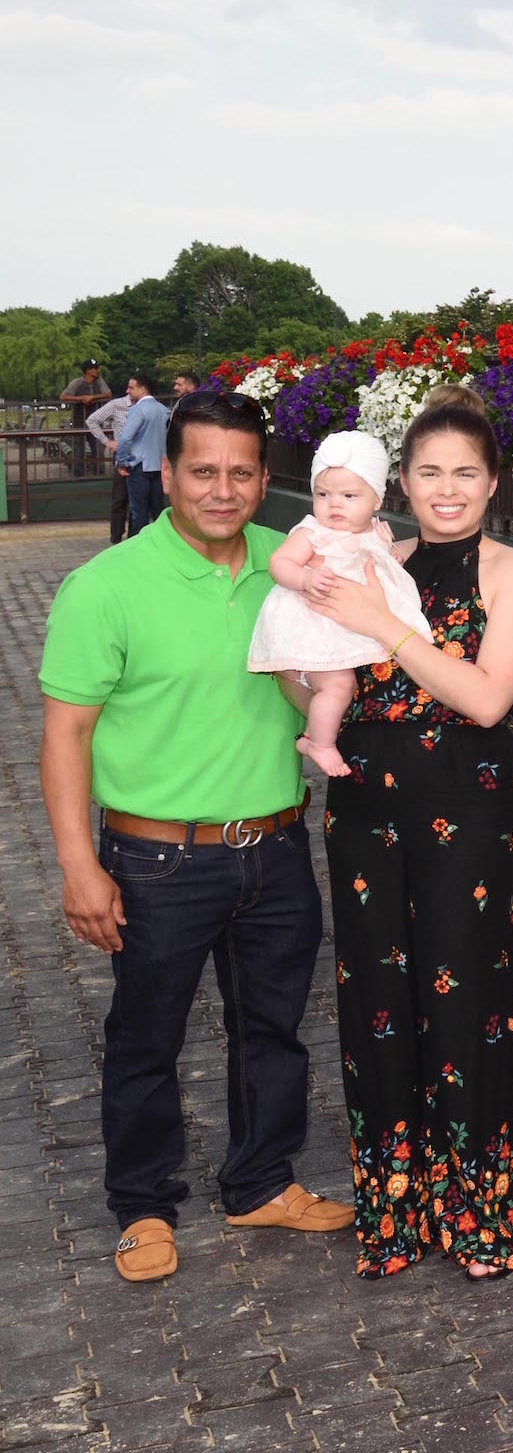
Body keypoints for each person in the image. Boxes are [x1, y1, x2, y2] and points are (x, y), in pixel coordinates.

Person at [39, 390, 355, 1284]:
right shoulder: (106, 587)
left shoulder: (294, 564)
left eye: (242, 472)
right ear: (167, 472)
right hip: (155, 859)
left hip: (277, 845)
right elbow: (64, 733)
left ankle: (260, 1180)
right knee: (146, 1038)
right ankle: (141, 1205)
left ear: (266, 478)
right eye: (204, 471)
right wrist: (77, 865)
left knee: (274, 1030)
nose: (224, 490)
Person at [294, 388, 513, 1278]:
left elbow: (486, 697)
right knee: (377, 1004)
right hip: (364, 808)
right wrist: (312, 676)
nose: (447, 489)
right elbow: (325, 676)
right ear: (400, 480)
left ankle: (477, 1217)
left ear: (493, 484)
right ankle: (395, 1216)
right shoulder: (378, 556)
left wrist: (381, 626)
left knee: (466, 1002)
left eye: (465, 474)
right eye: (430, 472)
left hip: (466, 814)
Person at [247, 431, 423, 779]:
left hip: (353, 626)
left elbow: (389, 561)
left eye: (348, 495)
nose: (334, 504)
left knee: (355, 689)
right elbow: (280, 563)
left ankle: (316, 732)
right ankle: (320, 743)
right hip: (315, 628)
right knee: (339, 686)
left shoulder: (376, 533)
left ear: (375, 500)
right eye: (323, 494)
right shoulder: (313, 531)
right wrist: (304, 579)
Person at [111, 374, 171, 535]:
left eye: (131, 387)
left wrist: (121, 461)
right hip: (159, 466)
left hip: (139, 466)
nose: (127, 391)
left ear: (142, 389)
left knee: (138, 511)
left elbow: (125, 438)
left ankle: (138, 546)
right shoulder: (164, 410)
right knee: (158, 509)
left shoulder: (137, 410)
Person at [61, 360, 110, 469]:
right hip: (79, 420)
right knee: (78, 449)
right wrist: (80, 399)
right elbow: (63, 396)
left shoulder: (99, 382)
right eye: (95, 368)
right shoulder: (77, 382)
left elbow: (108, 394)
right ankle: (79, 473)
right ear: (88, 371)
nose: (97, 371)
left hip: (95, 421)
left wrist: (93, 397)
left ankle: (99, 472)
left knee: (98, 449)